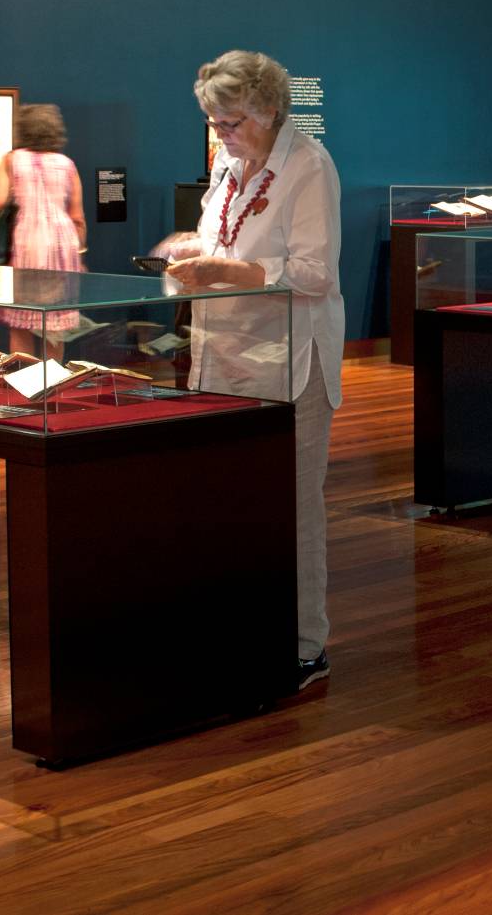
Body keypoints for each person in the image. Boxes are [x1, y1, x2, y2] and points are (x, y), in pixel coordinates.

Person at [153, 51, 342, 693]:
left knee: (292, 503)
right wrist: (191, 250)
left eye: (230, 120)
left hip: (291, 361)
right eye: (212, 120)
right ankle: (238, 621)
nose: (220, 132)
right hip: (223, 351)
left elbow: (315, 274)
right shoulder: (230, 166)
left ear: (268, 110)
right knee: (229, 496)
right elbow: (224, 242)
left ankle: (302, 646)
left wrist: (225, 271)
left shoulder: (309, 167)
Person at [0, 103, 85, 360]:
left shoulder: (11, 160)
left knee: (21, 322)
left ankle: (24, 383)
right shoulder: (67, 164)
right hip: (62, 245)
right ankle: (52, 384)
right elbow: (78, 218)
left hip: (27, 243)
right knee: (55, 324)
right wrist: (79, 255)